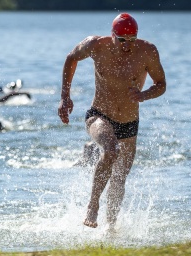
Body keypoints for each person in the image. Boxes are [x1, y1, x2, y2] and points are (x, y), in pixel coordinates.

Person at [58, 13, 166, 229]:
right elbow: (71, 58)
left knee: (119, 179)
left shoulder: (147, 51)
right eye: (122, 40)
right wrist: (65, 97)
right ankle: (92, 205)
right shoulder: (96, 45)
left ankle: (111, 228)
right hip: (99, 115)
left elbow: (161, 84)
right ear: (113, 35)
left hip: (129, 122)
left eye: (132, 40)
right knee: (110, 149)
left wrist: (143, 95)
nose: (127, 45)